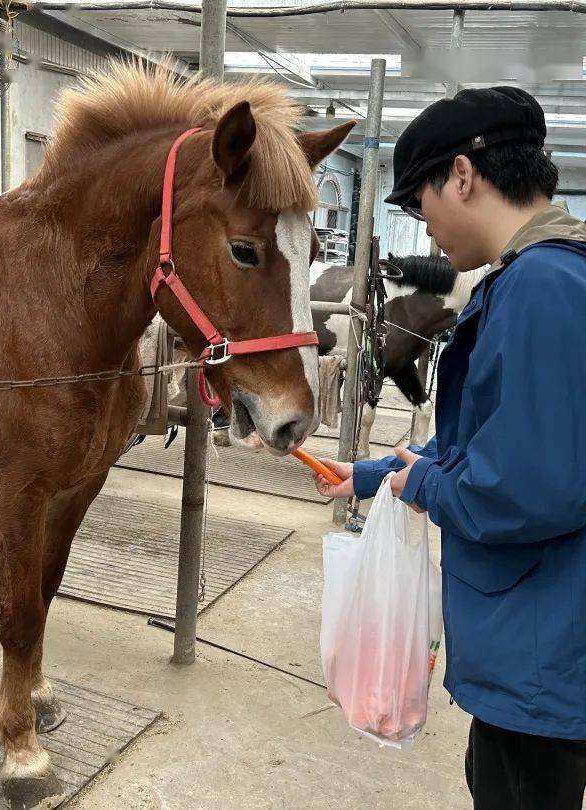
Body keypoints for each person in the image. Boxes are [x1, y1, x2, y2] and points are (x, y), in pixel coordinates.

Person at [313, 86, 586, 810]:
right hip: (538, 640)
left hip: (543, 650)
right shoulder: (542, 279)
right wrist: (375, 475)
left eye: (417, 202)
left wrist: (427, 488)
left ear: (462, 175)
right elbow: (504, 443)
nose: (423, 226)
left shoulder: (543, 288)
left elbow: (534, 486)